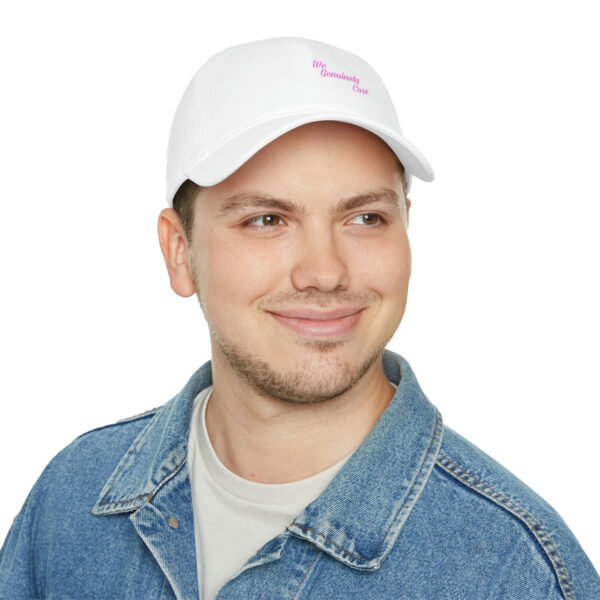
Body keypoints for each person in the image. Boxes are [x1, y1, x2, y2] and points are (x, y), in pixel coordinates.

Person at [0, 35, 598, 600]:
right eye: (267, 219)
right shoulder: (70, 501)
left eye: (365, 218)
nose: (325, 272)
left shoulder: (514, 571)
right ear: (179, 252)